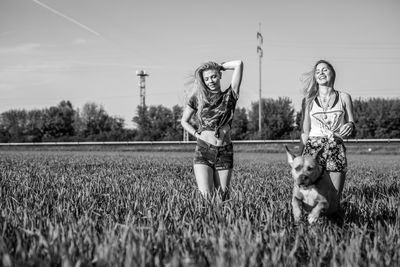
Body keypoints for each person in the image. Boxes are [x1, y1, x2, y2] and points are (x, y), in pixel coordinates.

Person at [181, 60, 243, 199]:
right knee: (206, 197)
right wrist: (197, 134)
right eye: (207, 78)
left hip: (224, 151)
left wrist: (219, 66)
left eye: (214, 76)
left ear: (220, 75)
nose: (211, 81)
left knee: (222, 197)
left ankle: (223, 221)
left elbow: (239, 64)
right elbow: (184, 121)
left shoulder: (230, 96)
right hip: (203, 150)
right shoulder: (199, 98)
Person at [300, 59, 355, 203]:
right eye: (317, 71)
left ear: (333, 73)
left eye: (324, 70)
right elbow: (305, 131)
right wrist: (305, 154)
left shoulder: (344, 97)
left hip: (335, 146)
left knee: (334, 196)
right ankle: (310, 223)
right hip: (313, 148)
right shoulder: (309, 99)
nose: (321, 73)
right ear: (315, 77)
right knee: (310, 194)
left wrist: (350, 126)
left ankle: (334, 223)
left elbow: (352, 124)